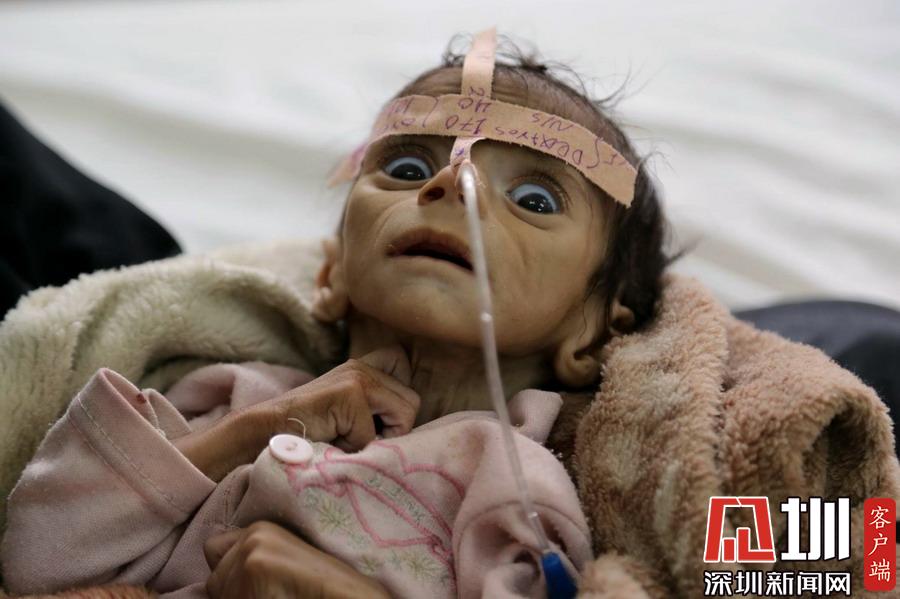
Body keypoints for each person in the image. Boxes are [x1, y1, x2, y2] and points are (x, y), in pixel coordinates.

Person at [1, 36, 665, 598]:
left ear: (591, 334)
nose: (451, 185)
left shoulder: (516, 485)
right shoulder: (230, 397)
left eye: (535, 198)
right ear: (331, 274)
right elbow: (37, 555)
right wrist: (253, 429)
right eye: (408, 166)